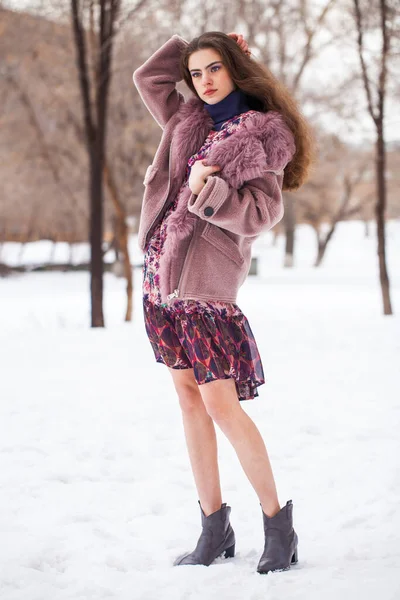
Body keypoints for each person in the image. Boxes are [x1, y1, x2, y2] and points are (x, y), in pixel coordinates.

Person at [132, 31, 313, 573]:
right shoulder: (185, 121)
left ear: (236, 69)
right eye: (196, 73)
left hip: (208, 291)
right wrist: (197, 43)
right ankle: (214, 527)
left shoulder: (262, 136)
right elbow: (149, 77)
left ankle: (279, 524)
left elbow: (260, 214)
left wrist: (207, 189)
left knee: (220, 406)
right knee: (189, 401)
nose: (204, 81)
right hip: (162, 283)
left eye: (215, 67)